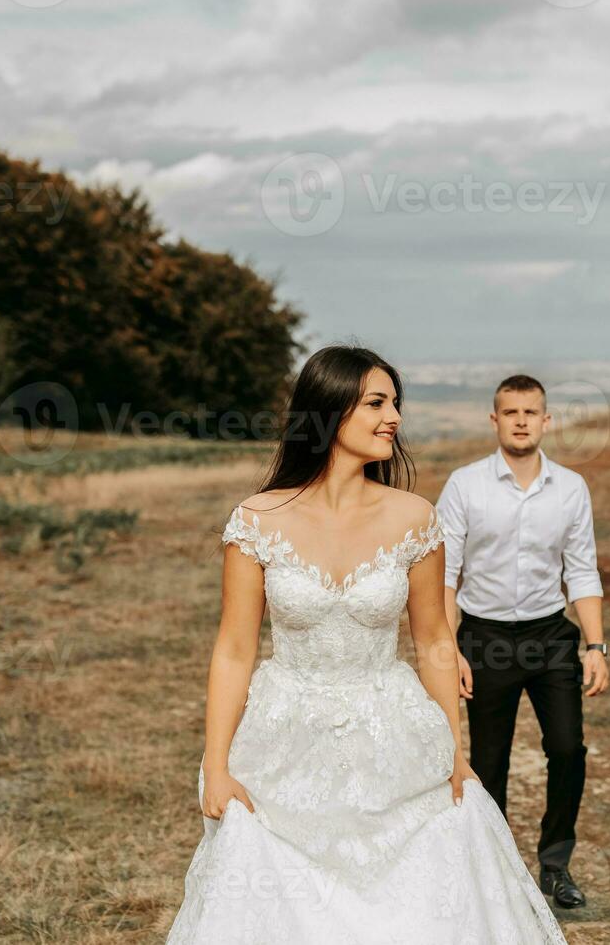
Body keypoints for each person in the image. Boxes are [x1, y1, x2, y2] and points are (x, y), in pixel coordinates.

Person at [165, 345, 567, 944]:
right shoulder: (256, 520)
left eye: (396, 403)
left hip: (393, 736)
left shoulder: (414, 518)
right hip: (282, 743)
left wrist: (453, 755)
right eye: (377, 402)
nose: (394, 417)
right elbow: (233, 650)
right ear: (328, 412)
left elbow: (433, 642)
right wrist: (217, 765)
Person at [435, 374, 609, 910]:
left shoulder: (572, 487)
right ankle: (494, 872)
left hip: (550, 635)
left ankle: (555, 867)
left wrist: (596, 647)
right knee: (489, 762)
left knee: (567, 749)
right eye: (510, 412)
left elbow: (582, 571)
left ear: (546, 420)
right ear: (494, 420)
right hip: (484, 638)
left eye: (530, 412)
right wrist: (450, 648)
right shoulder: (465, 485)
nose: (520, 421)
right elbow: (445, 575)